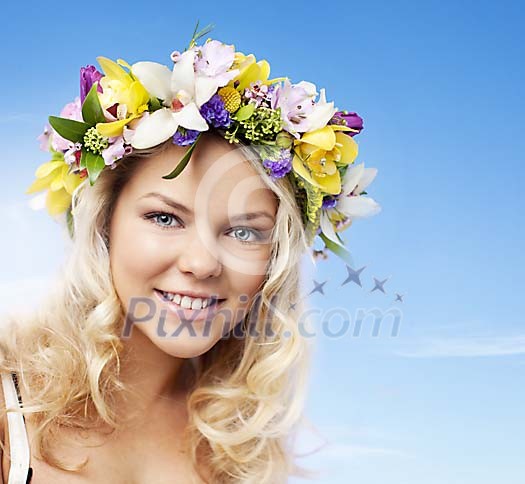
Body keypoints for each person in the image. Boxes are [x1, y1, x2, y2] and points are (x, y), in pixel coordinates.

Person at [0, 24, 379, 484]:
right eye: (165, 218)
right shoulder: (10, 397)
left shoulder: (240, 454)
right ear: (105, 224)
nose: (201, 263)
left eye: (243, 232)